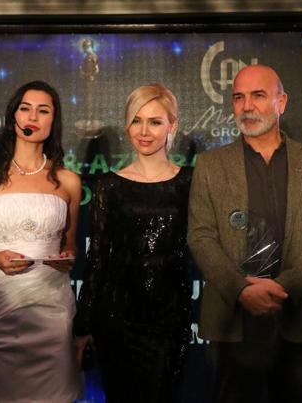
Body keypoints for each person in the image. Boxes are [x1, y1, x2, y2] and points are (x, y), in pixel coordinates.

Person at [187, 65, 302, 403]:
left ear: (281, 102)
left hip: (301, 317)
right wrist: (241, 289)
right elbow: (200, 237)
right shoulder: (210, 165)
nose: (247, 106)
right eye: (238, 98)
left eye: (258, 95)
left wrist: (284, 287)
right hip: (233, 321)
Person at [0, 80, 82, 403]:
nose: (33, 117)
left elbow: (70, 247)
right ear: (13, 117)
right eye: (25, 108)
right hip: (0, 308)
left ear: (54, 120)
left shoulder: (68, 180)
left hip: (51, 310)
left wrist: (67, 257)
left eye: (43, 111)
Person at [74, 83, 192, 402]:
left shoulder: (190, 181)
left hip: (170, 320)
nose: (143, 131)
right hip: (117, 322)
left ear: (172, 125)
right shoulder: (109, 186)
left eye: (154, 122)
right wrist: (83, 325)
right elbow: (97, 259)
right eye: (136, 121)